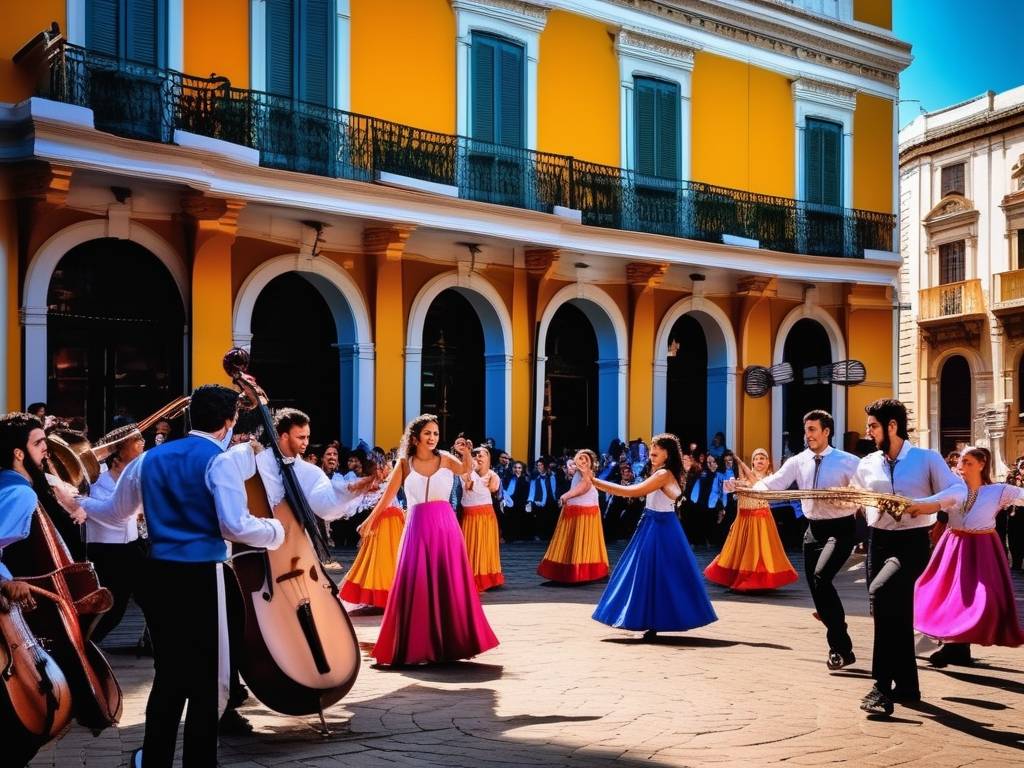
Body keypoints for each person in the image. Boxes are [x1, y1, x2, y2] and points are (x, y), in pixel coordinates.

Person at [68, 385, 286, 767]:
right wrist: (274, 531)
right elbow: (233, 524)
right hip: (203, 575)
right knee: (208, 680)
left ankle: (155, 760)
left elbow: (116, 512)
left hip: (159, 576)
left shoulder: (147, 460)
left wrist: (75, 500)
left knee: (168, 675)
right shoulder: (219, 461)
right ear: (228, 422)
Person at [852, 398, 967, 717]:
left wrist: (924, 505)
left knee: (882, 593)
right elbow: (859, 498)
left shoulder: (925, 458)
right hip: (879, 542)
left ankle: (879, 687)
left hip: (912, 543)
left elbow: (957, 493)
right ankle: (907, 685)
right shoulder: (867, 464)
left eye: (874, 426)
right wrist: (862, 502)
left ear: (892, 426)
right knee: (890, 612)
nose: (868, 431)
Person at [358, 415, 498, 666]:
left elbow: (466, 470)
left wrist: (466, 452)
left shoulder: (446, 458)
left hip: (446, 528)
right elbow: (387, 496)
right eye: (427, 434)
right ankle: (415, 644)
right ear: (415, 438)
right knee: (416, 584)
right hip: (416, 528)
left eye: (435, 433)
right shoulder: (404, 463)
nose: (433, 438)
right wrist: (370, 521)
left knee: (448, 583)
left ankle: (452, 643)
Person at [739, 411, 861, 670]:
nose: (809, 435)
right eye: (806, 430)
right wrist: (747, 489)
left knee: (821, 577)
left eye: (813, 430)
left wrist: (853, 497)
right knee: (818, 590)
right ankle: (841, 643)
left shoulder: (849, 461)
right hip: (813, 530)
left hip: (841, 529)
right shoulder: (798, 460)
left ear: (826, 432)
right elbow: (775, 483)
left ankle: (838, 645)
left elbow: (867, 489)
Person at [585, 433, 717, 640]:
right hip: (654, 525)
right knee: (653, 575)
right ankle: (651, 620)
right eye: (651, 449)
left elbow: (633, 492)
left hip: (660, 527)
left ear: (668, 453)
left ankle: (649, 619)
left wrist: (594, 481)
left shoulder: (663, 474)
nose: (652, 452)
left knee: (652, 574)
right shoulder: (664, 472)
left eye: (657, 449)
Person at [914, 446, 1024, 667]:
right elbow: (934, 503)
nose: (961, 467)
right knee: (949, 595)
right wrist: (912, 507)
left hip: (983, 548)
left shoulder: (999, 491)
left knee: (983, 598)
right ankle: (956, 647)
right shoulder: (954, 489)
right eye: (960, 463)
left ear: (982, 465)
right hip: (953, 546)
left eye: (968, 463)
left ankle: (957, 645)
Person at [0, 413, 57, 767]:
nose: (45, 451)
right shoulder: (19, 493)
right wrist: (5, 581)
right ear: (19, 453)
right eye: (39, 444)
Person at [77, 428, 147, 643]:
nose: (143, 443)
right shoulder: (94, 479)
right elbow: (115, 514)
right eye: (136, 440)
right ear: (118, 449)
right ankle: (84, 646)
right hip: (106, 550)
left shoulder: (139, 475)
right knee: (111, 609)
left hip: (133, 545)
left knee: (151, 597)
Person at [706, 448, 798, 592]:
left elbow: (756, 484)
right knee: (737, 551)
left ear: (768, 463)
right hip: (743, 518)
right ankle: (733, 575)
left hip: (761, 519)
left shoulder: (771, 479)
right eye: (757, 458)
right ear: (753, 462)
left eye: (763, 458)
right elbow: (728, 489)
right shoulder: (742, 477)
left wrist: (741, 463)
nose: (760, 461)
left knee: (760, 551)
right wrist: (731, 486)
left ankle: (755, 579)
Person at [339, 456, 405, 609]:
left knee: (396, 559)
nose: (384, 471)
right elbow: (358, 506)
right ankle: (380, 597)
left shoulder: (391, 483)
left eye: (385, 468)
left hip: (396, 525)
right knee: (380, 560)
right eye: (380, 468)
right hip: (381, 526)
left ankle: (396, 595)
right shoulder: (370, 489)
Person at [537, 450, 609, 584]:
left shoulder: (586, 470)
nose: (581, 461)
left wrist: (566, 496)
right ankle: (567, 573)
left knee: (581, 541)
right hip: (577, 509)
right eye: (579, 459)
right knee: (571, 541)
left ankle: (580, 574)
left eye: (583, 459)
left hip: (583, 510)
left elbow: (585, 486)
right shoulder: (581, 471)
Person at [461, 447, 504, 591]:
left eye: (482, 455)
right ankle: (470, 577)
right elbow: (468, 485)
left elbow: (493, 488)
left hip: (485, 514)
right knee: (471, 545)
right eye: (475, 455)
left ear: (488, 458)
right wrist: (471, 467)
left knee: (485, 545)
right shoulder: (466, 472)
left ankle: (488, 576)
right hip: (469, 514)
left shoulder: (493, 475)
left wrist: (485, 474)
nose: (478, 457)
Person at [527, 459, 558, 540]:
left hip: (551, 500)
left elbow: (555, 488)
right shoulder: (535, 477)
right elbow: (532, 490)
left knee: (551, 518)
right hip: (539, 500)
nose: (539, 467)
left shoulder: (552, 476)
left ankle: (550, 536)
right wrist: (530, 500)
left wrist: (557, 498)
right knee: (540, 518)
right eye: (537, 465)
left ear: (545, 465)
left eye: (541, 465)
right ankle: (539, 535)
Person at [500, 461, 531, 542]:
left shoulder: (526, 479)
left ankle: (519, 537)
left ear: (522, 469)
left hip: (521, 502)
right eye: (515, 467)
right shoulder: (508, 478)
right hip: (510, 502)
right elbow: (504, 490)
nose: (517, 469)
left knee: (520, 519)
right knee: (509, 520)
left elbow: (528, 491)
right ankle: (508, 537)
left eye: (519, 468)